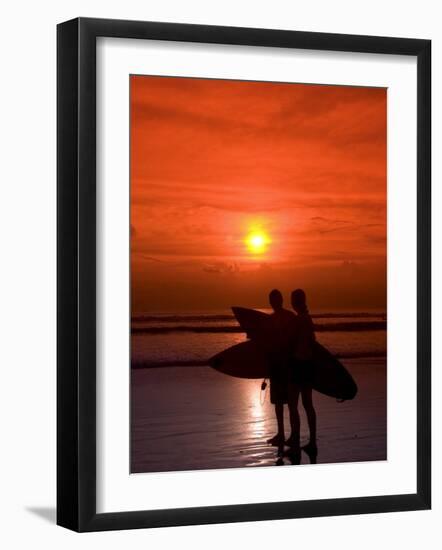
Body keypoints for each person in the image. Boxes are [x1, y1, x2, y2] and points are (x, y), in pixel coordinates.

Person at [285, 289, 317, 460]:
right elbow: (313, 342)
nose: (291, 302)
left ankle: (295, 438)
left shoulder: (299, 320)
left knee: (292, 403)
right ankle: (311, 441)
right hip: (308, 364)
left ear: (295, 302)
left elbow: (291, 342)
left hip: (298, 364)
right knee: (307, 404)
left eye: (292, 299)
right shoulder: (307, 318)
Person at [265, 289, 297, 448]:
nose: (273, 302)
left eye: (275, 299)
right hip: (277, 365)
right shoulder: (272, 319)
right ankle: (282, 434)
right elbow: (265, 343)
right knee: (279, 403)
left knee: (290, 403)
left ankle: (291, 436)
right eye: (272, 300)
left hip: (288, 366)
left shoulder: (289, 318)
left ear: (280, 300)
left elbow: (296, 340)